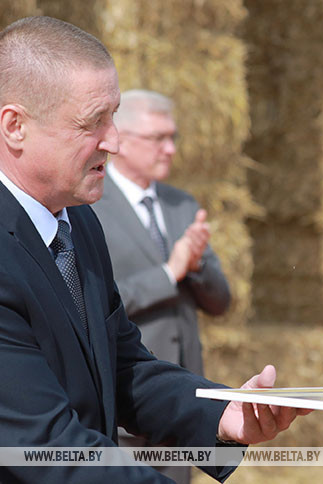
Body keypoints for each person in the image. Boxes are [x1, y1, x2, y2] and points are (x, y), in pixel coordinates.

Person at [0, 16, 307, 483]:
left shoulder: (75, 220)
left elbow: (120, 366)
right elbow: (51, 450)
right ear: (15, 126)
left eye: (113, 115)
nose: (114, 141)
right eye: (92, 122)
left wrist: (220, 414)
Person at [92, 89, 231, 484]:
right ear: (124, 139)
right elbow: (94, 300)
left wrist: (197, 263)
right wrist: (169, 274)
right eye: (158, 139)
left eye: (173, 137)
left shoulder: (181, 205)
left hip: (181, 396)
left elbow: (221, 301)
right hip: (127, 400)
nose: (170, 149)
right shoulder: (89, 206)